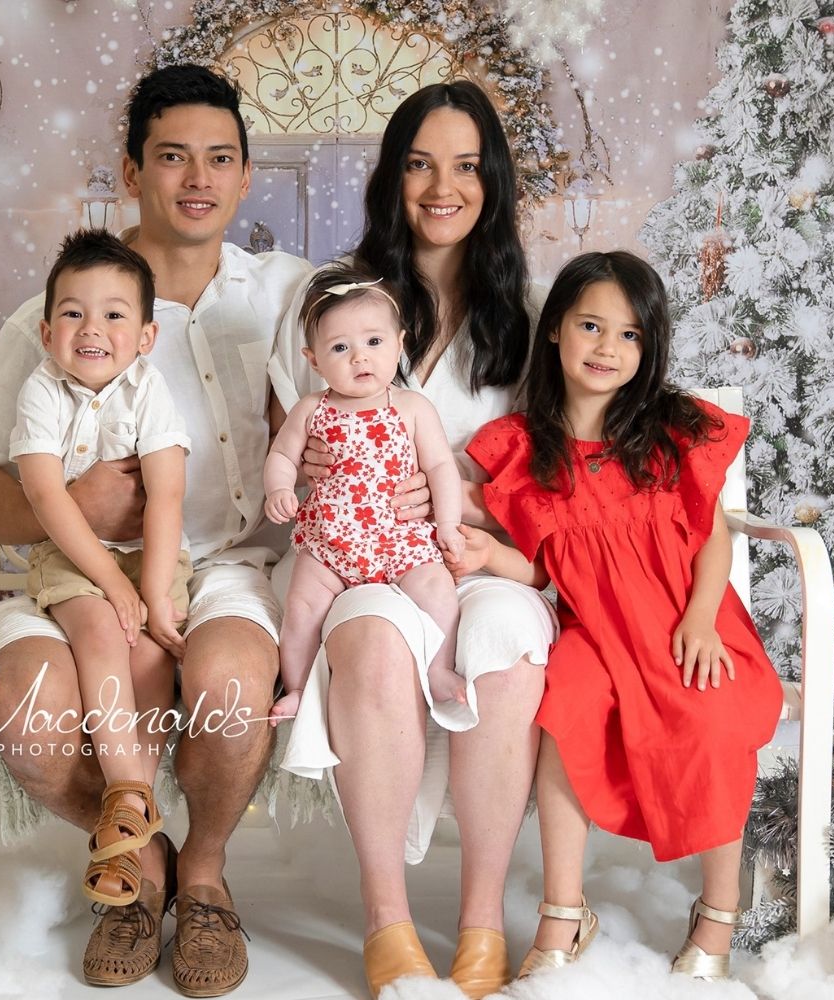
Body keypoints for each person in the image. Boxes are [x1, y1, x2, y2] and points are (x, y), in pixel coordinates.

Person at [0, 64, 311, 994]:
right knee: (27, 722)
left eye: (219, 158)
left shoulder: (285, 295)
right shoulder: (59, 311)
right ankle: (143, 867)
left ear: (244, 174)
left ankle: (204, 873)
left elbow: (371, 379)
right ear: (132, 167)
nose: (197, 178)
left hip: (222, 565)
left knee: (230, 694)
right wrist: (78, 508)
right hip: (70, 568)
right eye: (172, 156)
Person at [270, 80, 553, 1000]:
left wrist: (465, 497)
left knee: (507, 645)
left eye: (466, 166)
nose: (443, 186)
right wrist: (309, 474)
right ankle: (387, 920)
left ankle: (480, 921)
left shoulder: (530, 314)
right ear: (392, 177)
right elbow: (290, 442)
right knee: (367, 637)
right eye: (421, 163)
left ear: (493, 181)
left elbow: (553, 477)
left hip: (472, 555)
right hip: (357, 556)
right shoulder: (330, 300)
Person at [456, 250, 783, 981]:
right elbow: (551, 568)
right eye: (591, 326)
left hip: (684, 620)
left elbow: (714, 539)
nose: (608, 348)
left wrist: (700, 620)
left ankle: (719, 910)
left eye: (630, 335)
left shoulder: (671, 432)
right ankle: (563, 916)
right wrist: (488, 556)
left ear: (650, 345)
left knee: (713, 716)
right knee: (566, 710)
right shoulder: (525, 451)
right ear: (554, 332)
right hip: (596, 635)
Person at [10, 229, 190, 907]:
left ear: (145, 336)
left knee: (148, 652)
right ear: (46, 328)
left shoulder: (149, 389)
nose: (93, 328)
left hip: (150, 552)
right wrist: (113, 585)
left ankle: (126, 827)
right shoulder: (41, 391)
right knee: (99, 631)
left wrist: (150, 590)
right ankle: (129, 805)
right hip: (74, 556)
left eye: (115, 314)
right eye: (74, 312)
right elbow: (47, 498)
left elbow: (166, 493)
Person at [263, 266, 466, 725]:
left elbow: (440, 468)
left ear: (400, 344)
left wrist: (448, 524)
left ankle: (437, 669)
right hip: (329, 544)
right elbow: (282, 455)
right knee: (300, 608)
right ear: (313, 360)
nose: (360, 358)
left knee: (438, 591)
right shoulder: (312, 408)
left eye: (374, 342)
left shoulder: (412, 407)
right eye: (340, 348)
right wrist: (278, 486)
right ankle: (297, 687)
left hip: (401, 540)